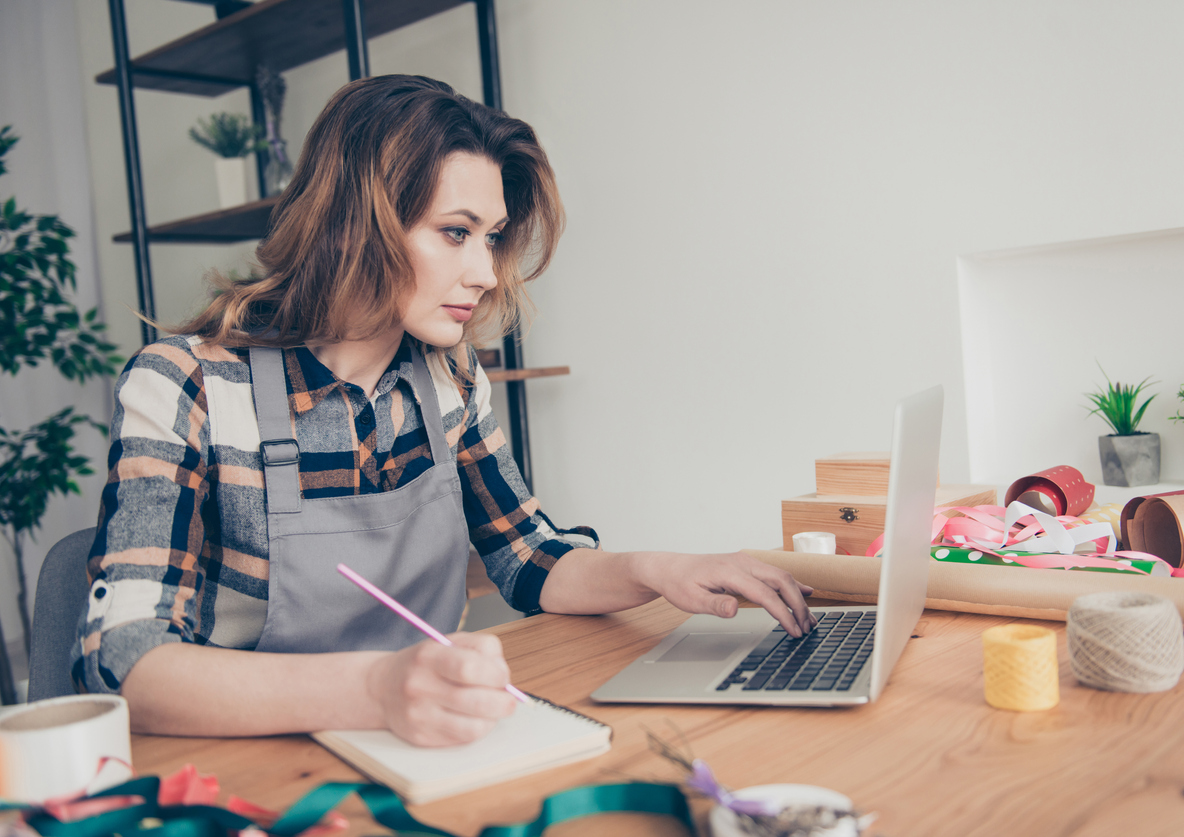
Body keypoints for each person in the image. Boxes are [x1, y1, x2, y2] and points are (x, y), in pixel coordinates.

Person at [75, 75, 814, 747]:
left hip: (427, 741)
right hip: (249, 762)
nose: (487, 273)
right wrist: (374, 688)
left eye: (490, 238)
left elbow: (526, 556)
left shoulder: (449, 380)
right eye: (455, 233)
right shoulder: (185, 385)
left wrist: (660, 568)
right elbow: (126, 661)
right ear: (352, 223)